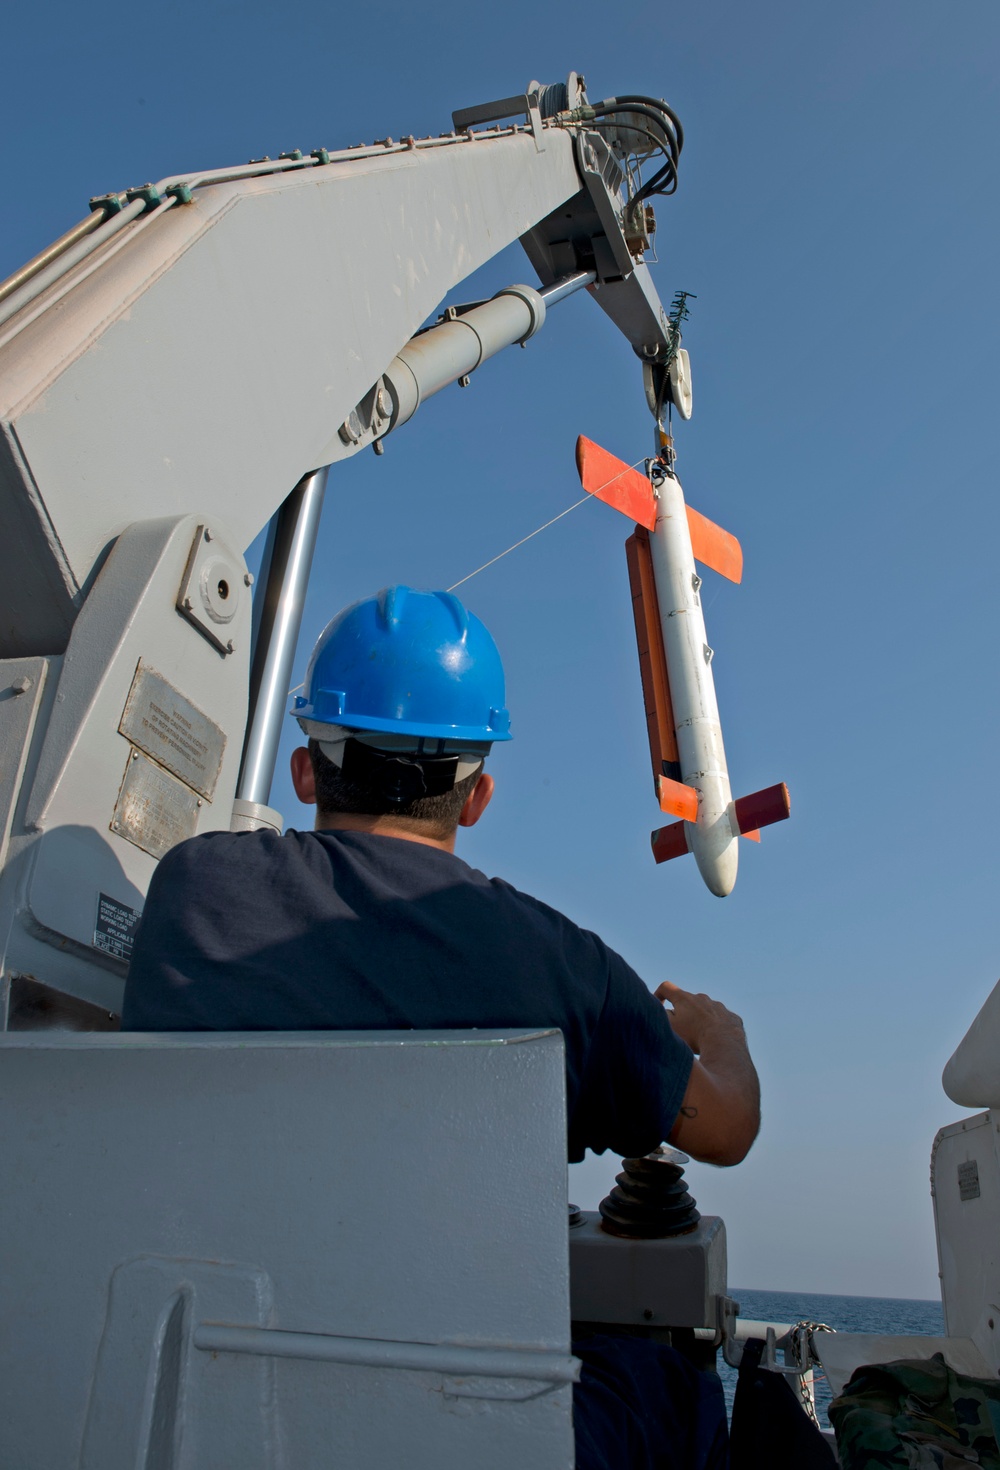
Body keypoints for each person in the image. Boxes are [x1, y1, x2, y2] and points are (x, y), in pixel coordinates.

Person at [122, 583, 760, 1468]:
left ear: (305, 771)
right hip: (474, 1436)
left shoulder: (192, 892)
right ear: (479, 798)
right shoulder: (564, 968)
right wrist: (723, 1035)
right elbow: (727, 1130)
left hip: (200, 1408)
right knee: (676, 1384)